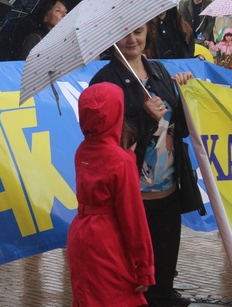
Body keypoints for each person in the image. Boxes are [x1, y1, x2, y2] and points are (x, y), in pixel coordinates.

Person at [90, 20, 204, 307]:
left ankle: (165, 293)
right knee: (137, 271)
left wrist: (185, 94)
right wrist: (143, 116)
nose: (132, 39)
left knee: (165, 264)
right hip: (132, 193)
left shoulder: (159, 71)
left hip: (169, 186)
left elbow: (181, 128)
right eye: (124, 33)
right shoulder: (105, 81)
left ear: (148, 33)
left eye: (138, 32)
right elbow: (104, 140)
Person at [67, 82, 155, 306]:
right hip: (107, 239)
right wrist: (144, 267)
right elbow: (134, 218)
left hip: (81, 234)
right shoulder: (121, 162)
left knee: (88, 296)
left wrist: (125, 157)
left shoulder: (81, 150)